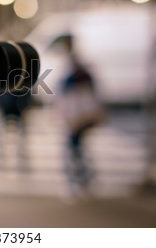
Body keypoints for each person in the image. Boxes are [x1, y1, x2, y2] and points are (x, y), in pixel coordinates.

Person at [59, 36, 103, 197]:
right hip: (81, 115)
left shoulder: (73, 68)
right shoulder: (79, 66)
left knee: (72, 148)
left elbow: (68, 95)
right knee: (76, 147)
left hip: (78, 116)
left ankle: (80, 180)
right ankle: (86, 177)